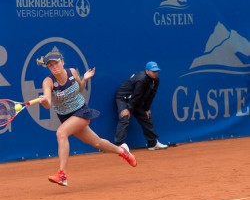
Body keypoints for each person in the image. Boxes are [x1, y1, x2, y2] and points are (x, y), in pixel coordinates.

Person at [37, 49, 137, 186]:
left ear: (62, 62)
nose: (54, 67)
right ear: (48, 67)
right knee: (97, 143)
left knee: (61, 133)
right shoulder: (47, 82)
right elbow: (48, 104)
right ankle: (123, 152)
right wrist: (44, 101)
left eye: (57, 63)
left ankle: (62, 175)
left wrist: (84, 79)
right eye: (51, 65)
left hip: (81, 112)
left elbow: (79, 89)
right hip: (66, 117)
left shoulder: (72, 72)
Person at [114, 61, 168, 150]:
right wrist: (128, 109)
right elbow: (137, 95)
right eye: (153, 71)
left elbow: (151, 94)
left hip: (135, 100)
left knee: (146, 118)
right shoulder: (141, 79)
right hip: (123, 98)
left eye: (156, 71)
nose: (155, 73)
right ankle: (119, 145)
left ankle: (153, 143)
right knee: (124, 118)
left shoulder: (156, 80)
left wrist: (146, 108)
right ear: (147, 71)